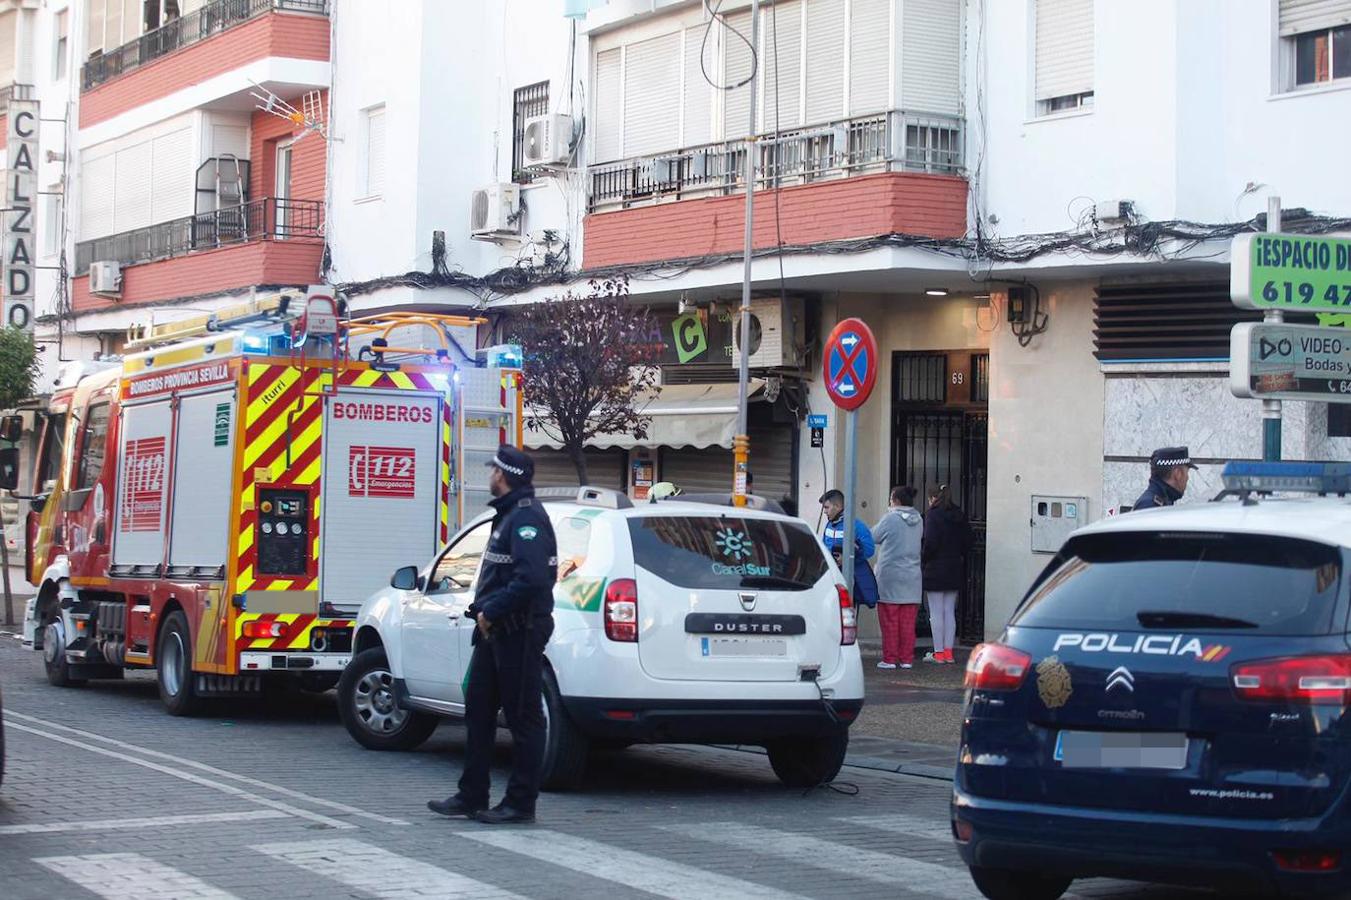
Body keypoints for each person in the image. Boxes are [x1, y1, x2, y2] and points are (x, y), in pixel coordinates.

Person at [428, 445, 557, 825]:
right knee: (479, 711)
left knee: (524, 719)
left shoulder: (526, 518)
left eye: (493, 472)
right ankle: (472, 795)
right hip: (494, 632)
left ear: (502, 475)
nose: (489, 476)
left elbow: (532, 579)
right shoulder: (507, 516)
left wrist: (492, 610)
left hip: (518, 631)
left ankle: (520, 804)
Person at [872, 486, 924, 669]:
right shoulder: (919, 520)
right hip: (913, 577)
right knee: (908, 624)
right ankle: (906, 659)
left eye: (891, 498)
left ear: (896, 501)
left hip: (890, 576)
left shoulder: (890, 519)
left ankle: (890, 659)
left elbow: (873, 536)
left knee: (890, 621)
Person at [921, 484, 971, 665]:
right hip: (954, 567)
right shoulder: (959, 515)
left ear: (933, 498)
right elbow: (968, 541)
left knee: (936, 612)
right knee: (949, 611)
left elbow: (930, 543)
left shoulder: (933, 515)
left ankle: (939, 653)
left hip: (935, 568)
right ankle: (949, 652)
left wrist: (924, 559)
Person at [819, 489, 879, 609]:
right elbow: (824, 547)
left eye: (826, 507)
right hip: (831, 580)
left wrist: (847, 559)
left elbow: (869, 550)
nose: (824, 511)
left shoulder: (857, 526)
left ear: (838, 506)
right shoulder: (829, 525)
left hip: (850, 582)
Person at [1132, 446, 1199, 511]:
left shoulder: (1159, 501)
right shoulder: (1149, 506)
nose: (1187, 478)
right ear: (1178, 473)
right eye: (1186, 473)